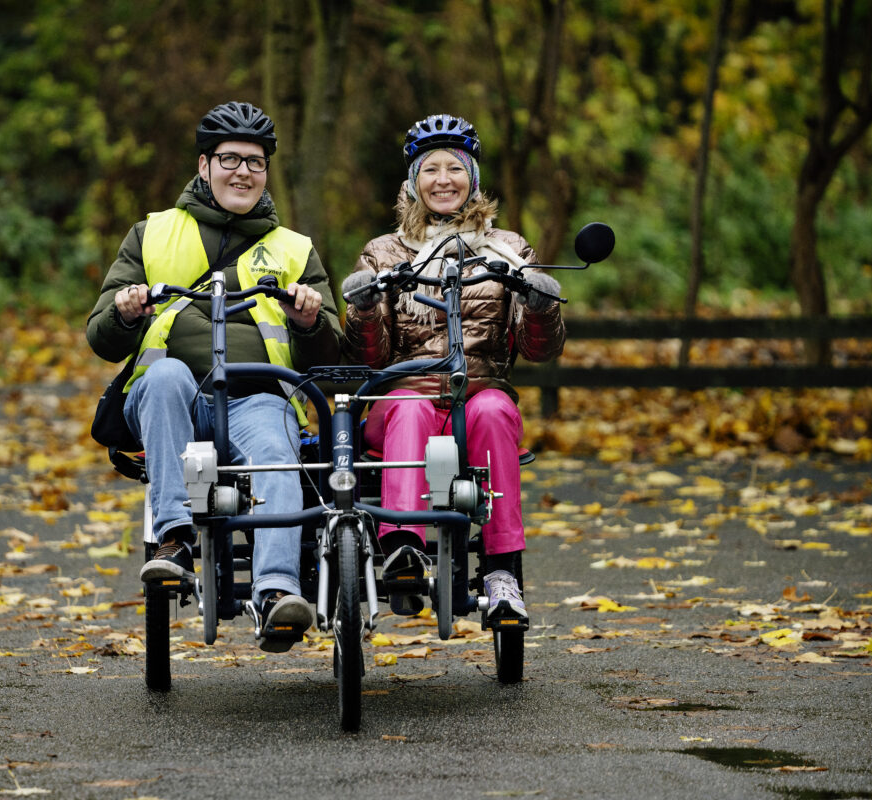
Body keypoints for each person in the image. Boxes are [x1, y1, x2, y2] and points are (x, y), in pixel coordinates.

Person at [86, 101, 341, 651]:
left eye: (255, 162)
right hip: (172, 400)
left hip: (257, 397)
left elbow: (333, 352)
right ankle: (174, 542)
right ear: (203, 167)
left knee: (278, 444)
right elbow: (101, 338)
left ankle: (277, 594)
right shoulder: (151, 235)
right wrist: (126, 312)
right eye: (230, 159)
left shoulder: (295, 250)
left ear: (266, 172)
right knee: (163, 375)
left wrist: (310, 319)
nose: (243, 172)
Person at [341, 113, 564, 622]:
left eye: (455, 169)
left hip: (479, 389)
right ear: (413, 182)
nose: (443, 180)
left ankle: (501, 569)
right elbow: (368, 357)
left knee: (493, 411)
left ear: (473, 179)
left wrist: (540, 304)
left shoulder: (508, 249)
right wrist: (363, 309)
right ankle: (403, 547)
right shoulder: (384, 251)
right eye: (431, 169)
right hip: (404, 397)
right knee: (411, 406)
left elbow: (539, 351)